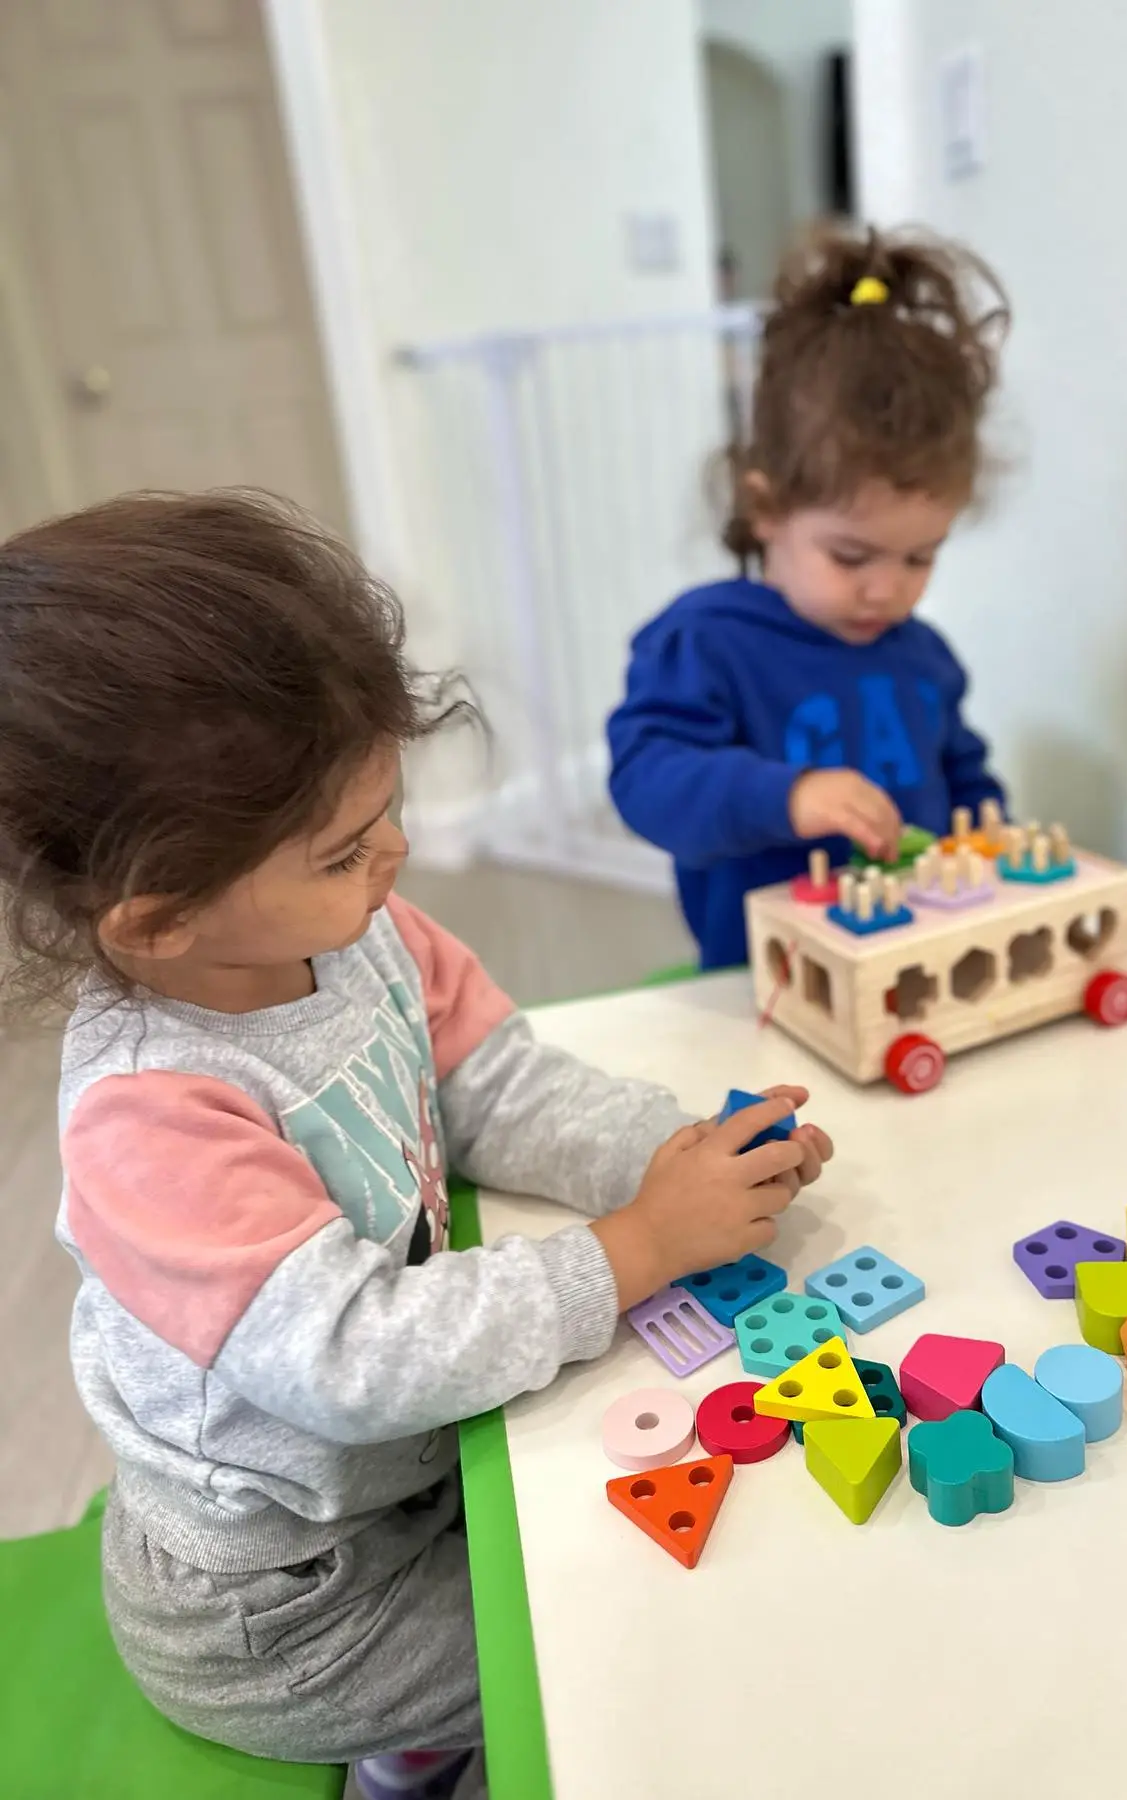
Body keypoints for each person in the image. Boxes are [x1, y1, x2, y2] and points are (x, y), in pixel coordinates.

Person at [0, 492, 831, 1799]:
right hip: (281, 1616)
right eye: (343, 847)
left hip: (399, 1493)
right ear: (159, 922)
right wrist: (632, 1250)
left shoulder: (349, 930)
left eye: (387, 808)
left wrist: (678, 1159)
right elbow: (356, 1356)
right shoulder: (151, 1114)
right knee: (629, 1633)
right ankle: (421, 1760)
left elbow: (495, 1081)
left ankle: (426, 1747)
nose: (397, 855)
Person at [608, 224, 1010, 971]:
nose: (887, 588)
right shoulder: (704, 641)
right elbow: (646, 782)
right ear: (766, 509)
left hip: (921, 959)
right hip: (763, 976)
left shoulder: (923, 658)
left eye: (921, 556)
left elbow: (965, 779)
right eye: (850, 555)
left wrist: (993, 843)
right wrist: (785, 796)